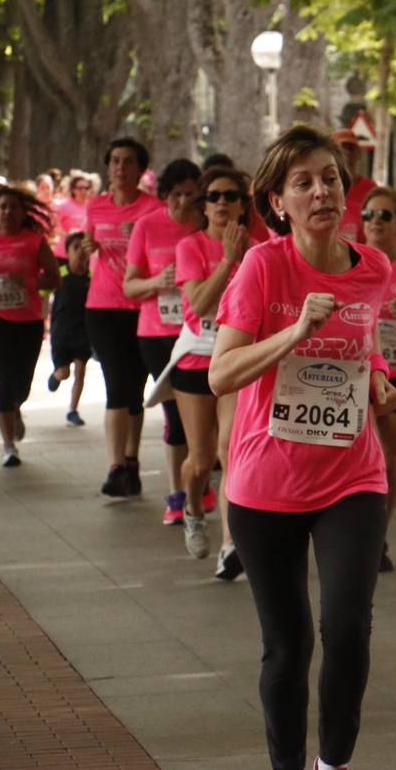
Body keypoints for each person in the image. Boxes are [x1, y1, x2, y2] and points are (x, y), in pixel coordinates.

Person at [210, 124, 396, 770]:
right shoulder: (264, 266)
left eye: (330, 179)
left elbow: (364, 342)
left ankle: (333, 764)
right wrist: (294, 330)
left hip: (352, 476)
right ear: (278, 203)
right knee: (287, 648)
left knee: (346, 628)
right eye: (304, 183)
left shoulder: (373, 267)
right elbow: (221, 373)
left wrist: (377, 379)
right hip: (265, 483)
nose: (322, 191)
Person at [170, 165, 257, 572]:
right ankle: (191, 508)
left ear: (243, 205)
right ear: (203, 206)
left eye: (230, 196)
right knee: (201, 460)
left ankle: (230, 544)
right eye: (214, 196)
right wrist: (226, 261)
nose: (222, 203)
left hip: (236, 360)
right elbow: (201, 305)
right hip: (195, 358)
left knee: (231, 451)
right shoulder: (190, 247)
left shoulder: (260, 249)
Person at [124, 159, 202, 525]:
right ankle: (176, 493)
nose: (183, 203)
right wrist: (159, 281)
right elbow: (129, 285)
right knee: (174, 414)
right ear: (165, 195)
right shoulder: (147, 226)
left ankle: (197, 476)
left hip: (201, 335)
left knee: (202, 421)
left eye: (191, 195)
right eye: (176, 195)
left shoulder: (207, 226)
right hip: (157, 333)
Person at [86, 137, 163, 498]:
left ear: (140, 169)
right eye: (115, 161)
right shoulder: (96, 207)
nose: (120, 168)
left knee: (134, 388)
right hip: (102, 306)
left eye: (128, 161)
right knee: (117, 384)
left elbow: (164, 252)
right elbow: (84, 252)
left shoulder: (154, 210)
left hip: (144, 307)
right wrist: (84, 249)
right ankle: (116, 466)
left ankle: (131, 463)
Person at [0, 185, 61, 467]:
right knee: (2, 383)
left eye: (14, 207)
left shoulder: (34, 241)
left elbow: (54, 278)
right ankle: (8, 446)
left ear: (23, 213)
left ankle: (16, 406)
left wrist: (27, 282)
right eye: (3, 207)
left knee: (20, 385)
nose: (8, 212)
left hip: (29, 323)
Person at [361, 186, 396, 573]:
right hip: (360, 375)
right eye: (368, 215)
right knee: (362, 457)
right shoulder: (353, 260)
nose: (375, 222)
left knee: (391, 460)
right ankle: (356, 533)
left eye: (384, 215)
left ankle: (379, 533)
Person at [48, 231, 93, 427]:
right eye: (76, 248)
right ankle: (55, 375)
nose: (81, 252)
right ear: (67, 252)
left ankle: (73, 410)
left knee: (81, 370)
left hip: (83, 331)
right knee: (65, 372)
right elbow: (42, 292)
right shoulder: (61, 273)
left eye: (84, 248)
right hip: (61, 331)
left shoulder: (92, 276)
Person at [332, 128, 376, 242]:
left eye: (351, 149)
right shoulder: (324, 188)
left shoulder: (371, 189)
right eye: (342, 149)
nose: (347, 154)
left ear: (359, 153)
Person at [52, 170, 92, 261]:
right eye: (80, 188)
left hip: (83, 255)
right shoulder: (64, 205)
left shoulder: (92, 207)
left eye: (86, 188)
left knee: (83, 274)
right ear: (73, 190)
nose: (84, 191)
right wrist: (68, 234)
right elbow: (54, 226)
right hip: (64, 253)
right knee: (64, 273)